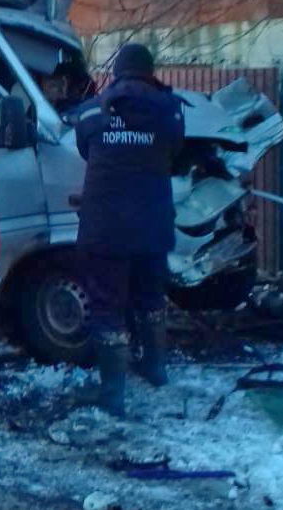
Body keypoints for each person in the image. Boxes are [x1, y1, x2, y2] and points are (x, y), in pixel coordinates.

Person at [75, 43, 185, 417]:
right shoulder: (171, 110)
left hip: (105, 228)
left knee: (107, 306)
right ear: (150, 71)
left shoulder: (91, 111)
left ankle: (113, 394)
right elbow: (175, 152)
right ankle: (155, 368)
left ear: (117, 72)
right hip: (152, 225)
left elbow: (85, 150)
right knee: (151, 297)